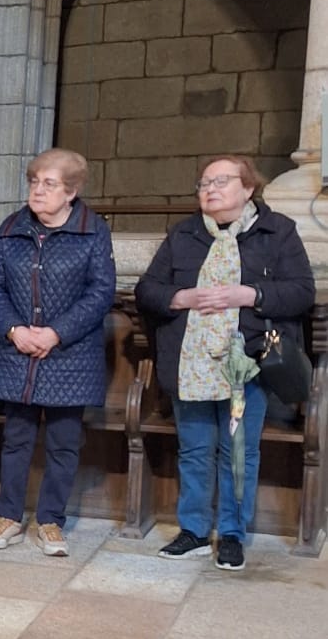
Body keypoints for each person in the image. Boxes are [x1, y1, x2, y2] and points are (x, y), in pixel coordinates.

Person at [135, 153, 315, 570]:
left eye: (221, 181)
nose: (210, 189)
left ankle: (232, 534)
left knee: (237, 452)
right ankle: (194, 531)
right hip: (191, 363)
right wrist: (180, 297)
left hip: (245, 363)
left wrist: (251, 294)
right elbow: (148, 290)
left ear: (248, 188)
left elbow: (301, 291)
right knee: (195, 450)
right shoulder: (184, 234)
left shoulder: (277, 231)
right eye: (204, 183)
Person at [0, 148, 115, 557]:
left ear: (71, 191)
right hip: (17, 351)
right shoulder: (11, 228)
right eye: (34, 182)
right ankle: (9, 516)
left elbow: (100, 292)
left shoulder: (93, 231)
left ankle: (51, 521)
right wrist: (14, 330)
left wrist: (56, 333)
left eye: (49, 184)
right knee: (15, 439)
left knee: (63, 443)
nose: (38, 190)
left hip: (69, 355)